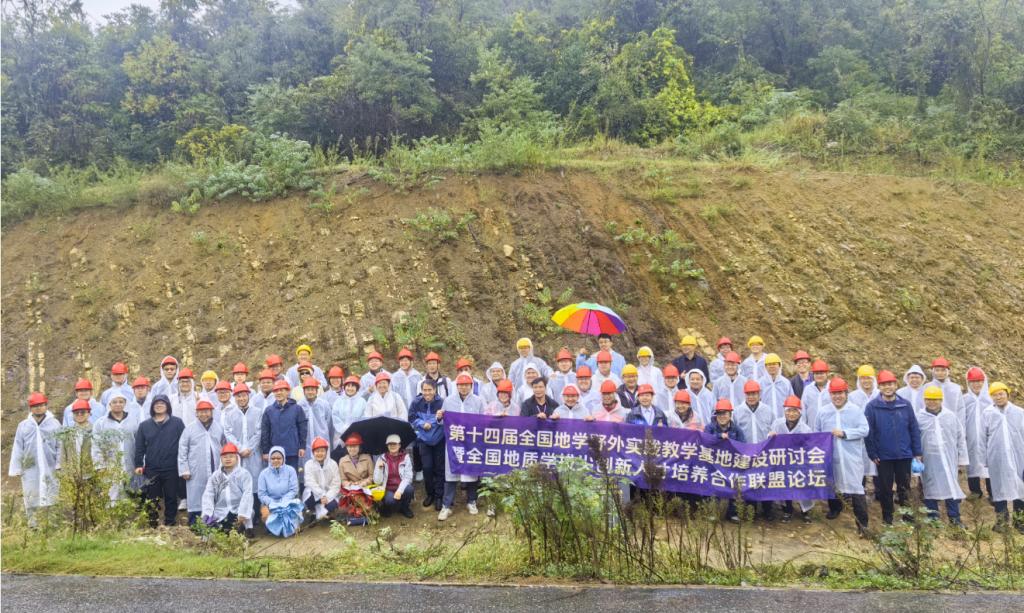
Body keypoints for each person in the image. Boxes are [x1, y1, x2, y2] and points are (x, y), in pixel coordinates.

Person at [865, 369, 923, 525]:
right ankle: (888, 518)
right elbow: (869, 432)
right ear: (879, 387)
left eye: (890, 384)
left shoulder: (905, 405)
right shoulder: (872, 407)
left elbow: (913, 428)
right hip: (883, 456)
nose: (887, 387)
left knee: (904, 487)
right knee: (885, 489)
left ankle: (907, 517)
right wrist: (872, 453)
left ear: (896, 385)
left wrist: (917, 451)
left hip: (904, 454)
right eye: (884, 384)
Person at [815, 378, 870, 533]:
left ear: (846, 393)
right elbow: (817, 432)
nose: (837, 396)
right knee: (833, 485)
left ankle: (863, 525)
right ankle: (835, 509)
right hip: (831, 456)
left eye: (840, 393)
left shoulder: (855, 410)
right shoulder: (823, 412)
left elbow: (864, 430)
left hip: (851, 457)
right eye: (834, 393)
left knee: (856, 489)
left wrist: (845, 433)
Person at [8, 392, 61, 527]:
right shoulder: (23, 426)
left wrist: (59, 464)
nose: (38, 408)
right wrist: (16, 468)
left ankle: (51, 524)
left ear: (46, 406)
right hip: (29, 469)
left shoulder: (55, 424)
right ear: (30, 408)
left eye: (41, 405)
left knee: (51, 493)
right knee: (31, 495)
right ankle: (33, 525)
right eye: (35, 406)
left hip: (50, 466)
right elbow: (18, 447)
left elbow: (60, 445)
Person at [918, 387, 968, 527]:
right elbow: (915, 438)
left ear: (941, 400)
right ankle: (933, 519)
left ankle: (955, 518)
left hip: (949, 458)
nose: (932, 402)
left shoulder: (950, 416)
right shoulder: (919, 417)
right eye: (928, 399)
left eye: (935, 399)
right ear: (924, 400)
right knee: (929, 487)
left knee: (951, 485)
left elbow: (960, 437)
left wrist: (962, 458)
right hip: (928, 459)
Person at [438, 374, 485, 520]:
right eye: (461, 385)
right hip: (454, 443)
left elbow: (483, 421)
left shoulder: (478, 401)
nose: (463, 387)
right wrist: (439, 417)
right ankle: (447, 505)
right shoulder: (448, 400)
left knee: (472, 471)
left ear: (471, 386)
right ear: (456, 386)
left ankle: (471, 501)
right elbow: (442, 421)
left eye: (466, 385)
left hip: (471, 442)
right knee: (451, 473)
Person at [134, 394, 186, 527]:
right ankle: (152, 523)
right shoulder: (144, 425)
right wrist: (138, 464)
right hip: (152, 468)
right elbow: (139, 447)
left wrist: (184, 464)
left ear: (167, 406)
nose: (159, 405)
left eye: (162, 403)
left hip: (172, 467)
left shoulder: (177, 423)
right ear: (152, 407)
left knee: (171, 497)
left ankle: (170, 523)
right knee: (152, 498)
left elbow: (184, 444)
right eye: (156, 404)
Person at [981, 382, 1024, 531]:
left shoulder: (1019, 412)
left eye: (1001, 394)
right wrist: (984, 459)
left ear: (1007, 394)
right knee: (998, 488)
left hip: (1018, 456)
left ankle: (1019, 521)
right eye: (994, 395)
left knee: (1020, 488)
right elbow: (982, 437)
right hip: (996, 457)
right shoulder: (987, 414)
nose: (998, 397)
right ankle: (1002, 521)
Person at [178, 400, 226, 526]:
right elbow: (182, 450)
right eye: (201, 412)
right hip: (196, 469)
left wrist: (225, 467)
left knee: (215, 495)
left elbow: (224, 446)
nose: (204, 414)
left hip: (215, 467)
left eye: (206, 411)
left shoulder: (218, 427)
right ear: (196, 413)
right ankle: (195, 524)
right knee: (196, 496)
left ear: (211, 412)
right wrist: (184, 469)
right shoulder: (189, 429)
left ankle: (213, 524)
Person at [222, 382, 263, 529]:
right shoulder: (230, 414)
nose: (241, 398)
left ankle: (256, 516)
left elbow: (259, 432)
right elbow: (228, 433)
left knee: (255, 484)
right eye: (238, 396)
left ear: (248, 396)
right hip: (238, 456)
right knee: (240, 486)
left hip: (254, 454)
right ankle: (241, 519)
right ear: (235, 398)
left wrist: (249, 448)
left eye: (244, 395)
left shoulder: (257, 412)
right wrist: (240, 448)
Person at [768, 396, 814, 522]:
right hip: (782, 461)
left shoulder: (805, 429)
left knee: (802, 486)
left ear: (799, 413)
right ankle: (787, 510)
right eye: (789, 410)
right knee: (784, 485)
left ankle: (806, 512)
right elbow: (770, 441)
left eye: (794, 411)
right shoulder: (777, 424)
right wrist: (770, 436)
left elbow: (810, 447)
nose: (791, 414)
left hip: (799, 462)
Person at [92, 391, 140, 502]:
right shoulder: (100, 423)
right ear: (109, 404)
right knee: (112, 497)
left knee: (131, 497)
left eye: (121, 402)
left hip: (130, 464)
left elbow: (139, 443)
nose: (118, 404)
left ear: (125, 404)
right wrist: (100, 466)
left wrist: (140, 463)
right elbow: (96, 447)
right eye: (114, 402)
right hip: (110, 467)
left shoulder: (133, 420)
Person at [260, 379, 308, 482]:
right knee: (275, 479)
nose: (279, 393)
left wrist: (302, 446)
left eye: (281, 390)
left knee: (292, 478)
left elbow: (302, 429)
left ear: (287, 392)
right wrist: (266, 451)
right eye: (276, 391)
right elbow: (265, 432)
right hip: (275, 453)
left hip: (292, 451)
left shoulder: (297, 409)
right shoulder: (269, 411)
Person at [201, 443, 254, 536]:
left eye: (231, 456)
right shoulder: (215, 476)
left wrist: (242, 513)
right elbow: (208, 495)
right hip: (220, 511)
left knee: (239, 526)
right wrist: (207, 513)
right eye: (225, 457)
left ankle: (244, 528)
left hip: (238, 511)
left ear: (237, 458)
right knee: (213, 532)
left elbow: (248, 494)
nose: (228, 459)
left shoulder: (244, 474)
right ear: (221, 459)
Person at [705, 399, 745, 521]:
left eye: (725, 413)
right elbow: (705, 440)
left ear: (730, 414)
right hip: (713, 464)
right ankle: (713, 511)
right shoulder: (710, 427)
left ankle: (732, 513)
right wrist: (718, 437)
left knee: (734, 485)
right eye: (719, 413)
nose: (722, 416)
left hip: (731, 464)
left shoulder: (736, 430)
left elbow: (743, 446)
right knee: (713, 485)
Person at [409, 379, 445, 510]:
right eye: (425, 390)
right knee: (427, 468)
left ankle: (439, 496)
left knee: (439, 468)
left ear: (435, 390)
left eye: (430, 390)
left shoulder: (442, 403)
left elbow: (447, 419)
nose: (427, 393)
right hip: (423, 440)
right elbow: (411, 418)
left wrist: (437, 419)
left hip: (439, 440)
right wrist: (422, 423)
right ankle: (430, 494)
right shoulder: (416, 402)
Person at [258, 446, 303, 537]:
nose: (276, 460)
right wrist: (272, 503)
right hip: (270, 503)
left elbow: (294, 489)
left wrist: (283, 502)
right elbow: (262, 494)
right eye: (273, 458)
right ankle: (272, 528)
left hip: (287, 501)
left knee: (295, 511)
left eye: (279, 458)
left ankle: (292, 527)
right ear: (269, 459)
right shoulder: (263, 474)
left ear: (283, 459)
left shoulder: (290, 470)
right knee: (265, 514)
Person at [962, 367, 992, 500]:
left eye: (979, 381)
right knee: (972, 464)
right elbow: (961, 418)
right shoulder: (964, 399)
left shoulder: (990, 398)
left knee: (989, 464)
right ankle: (975, 491)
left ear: (984, 382)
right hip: (971, 438)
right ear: (968, 383)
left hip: (988, 438)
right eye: (973, 381)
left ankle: (992, 492)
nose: (976, 384)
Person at [849, 365, 879, 489]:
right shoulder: (852, 396)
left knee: (878, 466)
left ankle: (879, 493)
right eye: (863, 378)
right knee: (859, 466)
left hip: (877, 437)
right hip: (859, 437)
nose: (866, 381)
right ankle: (859, 492)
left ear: (873, 379)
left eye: (868, 378)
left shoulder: (879, 394)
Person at [337, 433, 375, 524]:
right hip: (350, 489)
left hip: (365, 488)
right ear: (346, 447)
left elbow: (372, 476)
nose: (352, 449)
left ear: (359, 447)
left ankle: (364, 512)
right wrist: (350, 485)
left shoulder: (367, 458)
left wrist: (362, 484)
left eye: (354, 446)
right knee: (347, 504)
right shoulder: (342, 461)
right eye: (349, 446)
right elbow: (343, 480)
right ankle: (355, 513)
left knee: (366, 505)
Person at [374, 434, 414, 518]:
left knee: (409, 489)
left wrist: (399, 491)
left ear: (399, 445)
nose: (392, 446)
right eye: (390, 444)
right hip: (388, 488)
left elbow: (408, 477)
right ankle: (388, 507)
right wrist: (379, 469)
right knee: (390, 501)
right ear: (387, 446)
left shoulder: (405, 457)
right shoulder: (381, 458)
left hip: (400, 486)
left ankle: (404, 507)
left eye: (395, 443)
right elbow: (377, 481)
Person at [303, 437, 341, 521]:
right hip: (315, 493)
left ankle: (329, 513)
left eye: (322, 451)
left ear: (326, 452)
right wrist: (322, 495)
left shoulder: (333, 464)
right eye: (317, 451)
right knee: (309, 501)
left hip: (329, 493)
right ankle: (313, 513)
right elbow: (310, 482)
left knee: (331, 506)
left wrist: (327, 496)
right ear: (313, 452)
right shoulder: (309, 464)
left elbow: (336, 484)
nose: (319, 453)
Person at [331, 376, 367, 458]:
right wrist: (344, 429)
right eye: (348, 386)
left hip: (357, 436)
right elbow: (335, 417)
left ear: (357, 388)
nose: (350, 388)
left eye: (353, 386)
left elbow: (364, 418)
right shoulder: (338, 401)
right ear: (344, 387)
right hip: (340, 436)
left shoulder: (362, 402)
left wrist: (354, 430)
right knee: (341, 459)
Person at [298, 376, 333, 459]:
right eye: (307, 389)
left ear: (317, 391)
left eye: (312, 389)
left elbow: (329, 423)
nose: (310, 392)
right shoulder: (299, 406)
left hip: (322, 439)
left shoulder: (324, 404)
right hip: (305, 442)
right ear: (304, 391)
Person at [926, 357, 964, 424]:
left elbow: (960, 410)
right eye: (937, 370)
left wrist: (960, 427)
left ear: (948, 371)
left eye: (943, 370)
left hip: (951, 424)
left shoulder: (956, 388)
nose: (940, 373)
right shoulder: (927, 387)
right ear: (933, 372)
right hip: (932, 425)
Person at [758, 354, 793, 420]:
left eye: (774, 364)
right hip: (765, 419)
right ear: (765, 367)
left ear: (779, 365)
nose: (772, 366)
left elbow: (791, 402)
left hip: (783, 420)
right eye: (769, 364)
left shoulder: (786, 383)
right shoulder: (760, 383)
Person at [800, 360, 832, 428]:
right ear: (813, 374)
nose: (819, 376)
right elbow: (803, 410)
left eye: (821, 373)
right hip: (812, 429)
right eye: (816, 373)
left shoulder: (833, 387)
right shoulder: (808, 389)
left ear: (827, 373)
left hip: (830, 430)